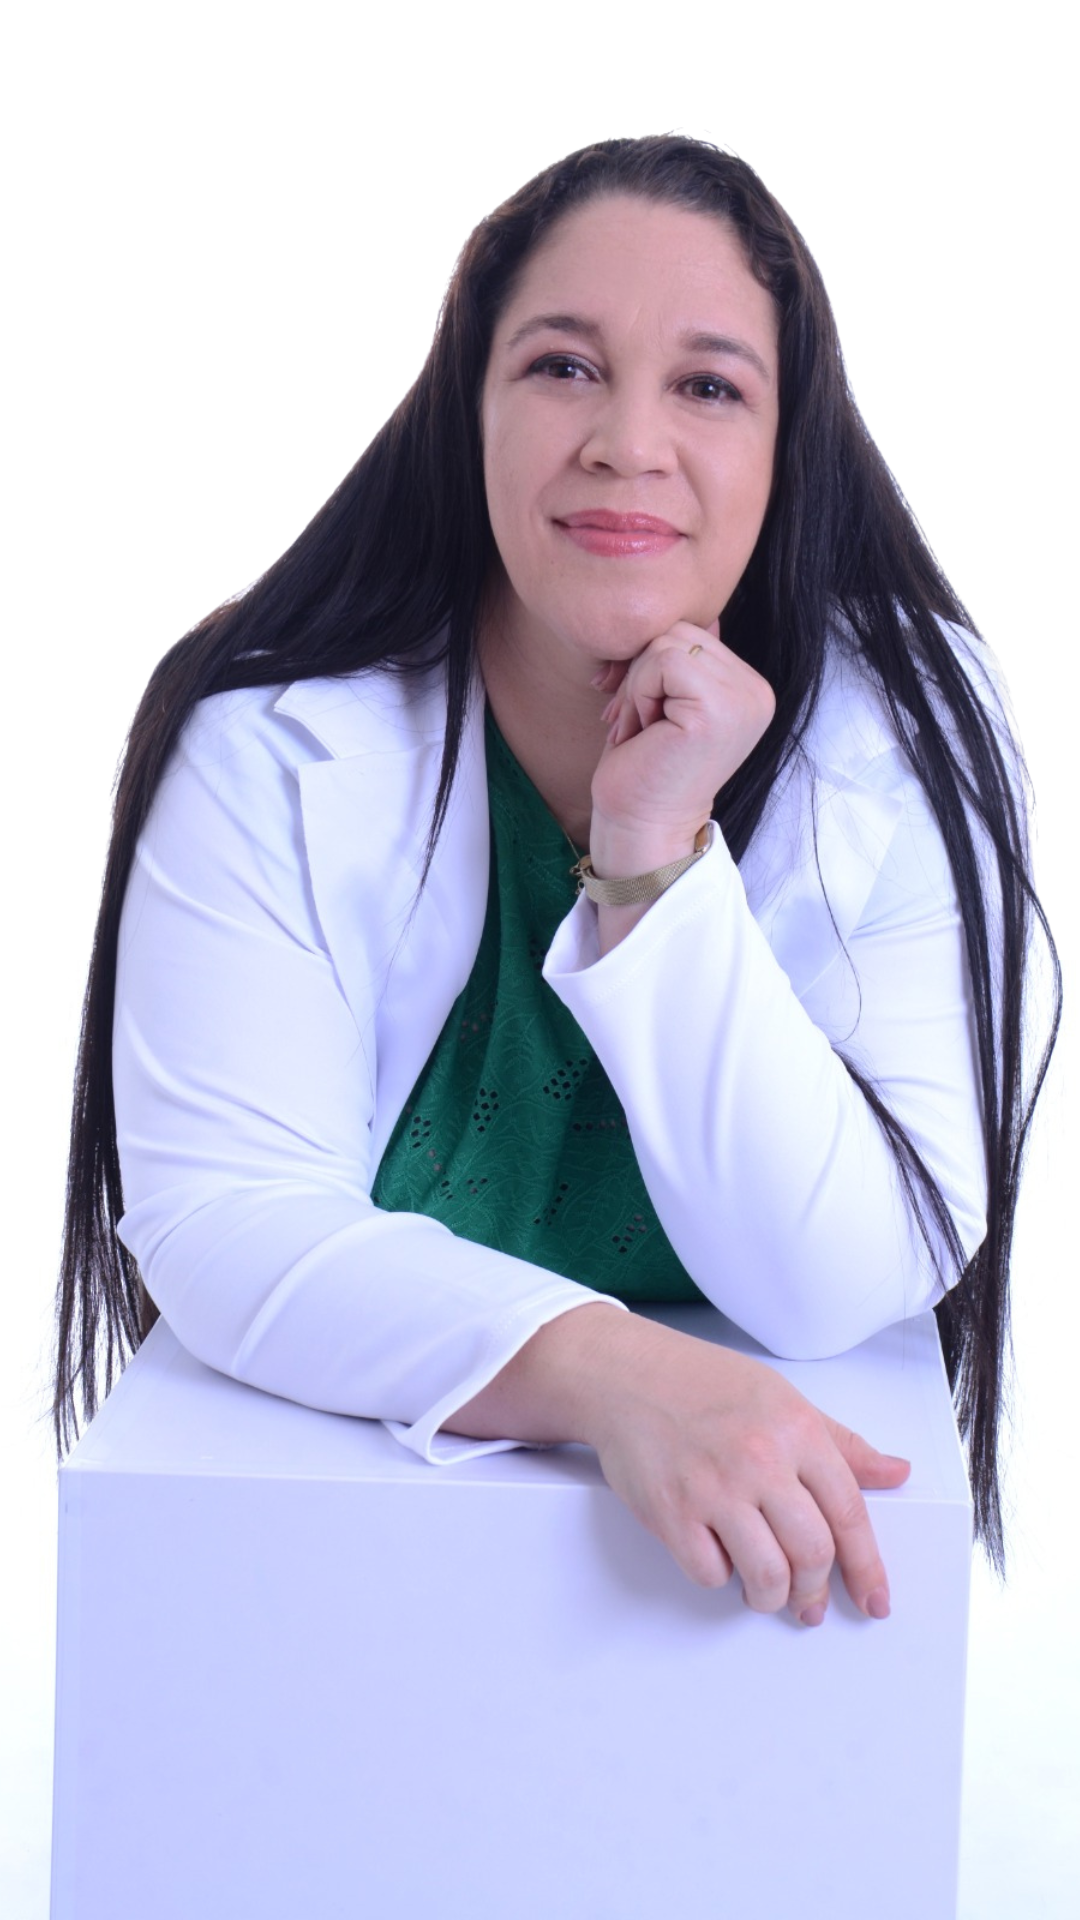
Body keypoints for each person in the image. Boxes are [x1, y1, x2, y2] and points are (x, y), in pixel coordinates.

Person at [54, 134, 1058, 1631]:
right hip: (334, 1575)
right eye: (564, 368)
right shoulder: (264, 731)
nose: (627, 443)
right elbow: (228, 1215)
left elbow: (842, 1275)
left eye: (708, 386)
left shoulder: (914, 720)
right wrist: (619, 1377)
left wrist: (655, 852)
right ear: (468, 409)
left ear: (787, 447)